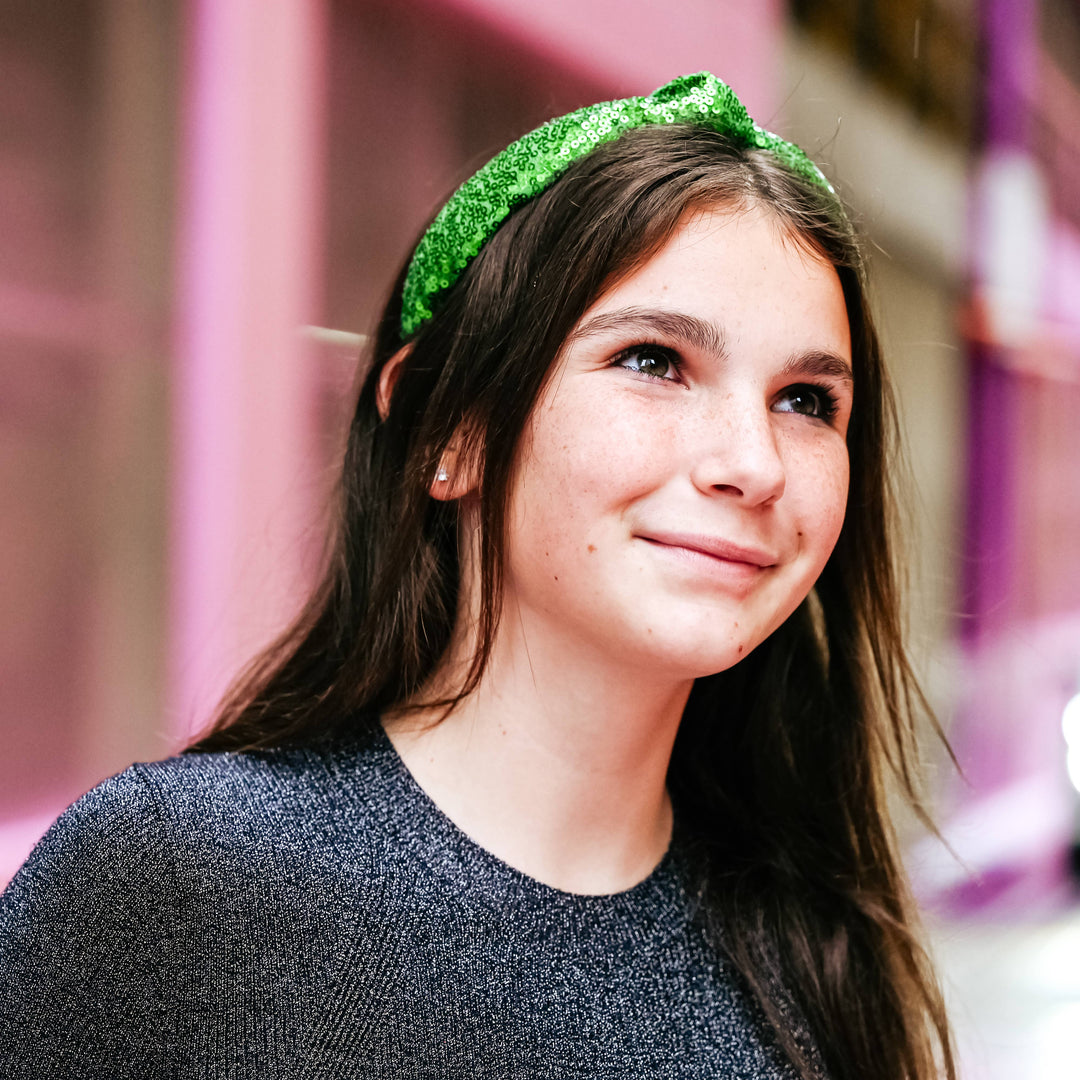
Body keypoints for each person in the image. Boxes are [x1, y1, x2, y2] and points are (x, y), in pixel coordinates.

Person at [0, 73, 955, 1079]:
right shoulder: (168, 881)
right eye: (652, 361)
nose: (754, 464)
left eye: (806, 400)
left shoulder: (820, 951)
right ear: (448, 431)